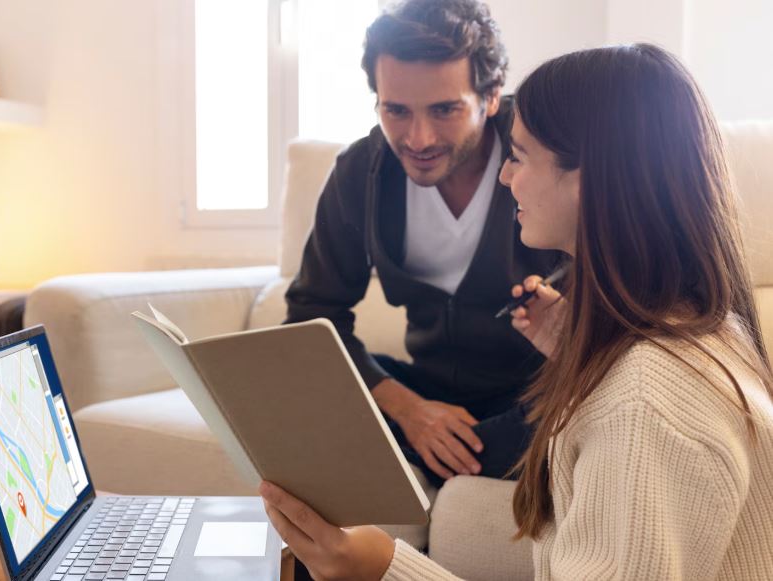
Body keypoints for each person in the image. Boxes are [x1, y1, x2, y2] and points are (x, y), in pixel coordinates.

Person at [262, 43, 773, 580]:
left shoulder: (645, 401)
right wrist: (572, 345)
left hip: (518, 406)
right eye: (397, 111)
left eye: (520, 156)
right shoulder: (697, 335)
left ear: (589, 178)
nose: (506, 178)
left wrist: (385, 567)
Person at [285, 0, 561, 485]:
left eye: (444, 110)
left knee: (552, 422)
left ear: (491, 96)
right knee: (293, 389)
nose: (418, 138)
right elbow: (312, 317)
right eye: (396, 110)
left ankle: (448, 467)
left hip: (536, 399)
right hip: (427, 392)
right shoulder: (358, 175)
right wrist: (410, 410)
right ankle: (434, 461)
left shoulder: (547, 156)